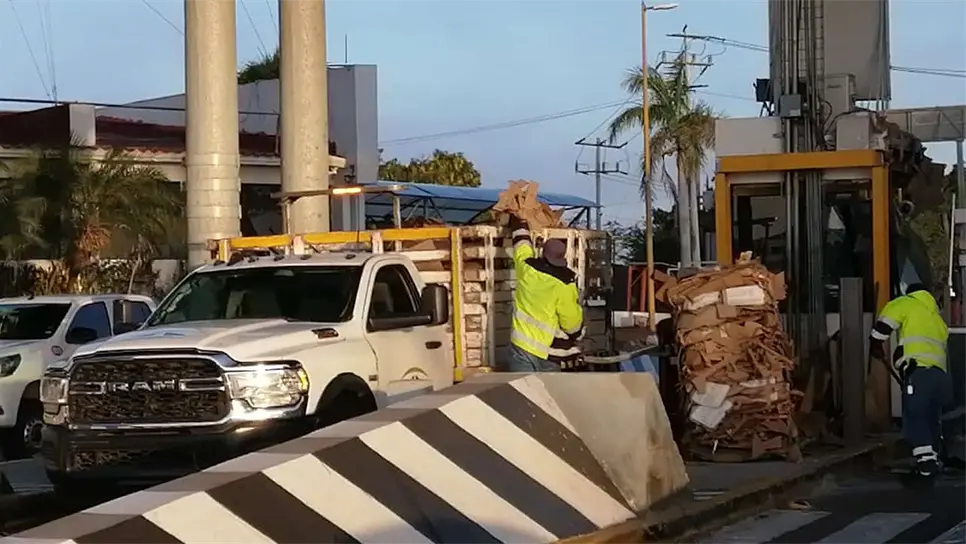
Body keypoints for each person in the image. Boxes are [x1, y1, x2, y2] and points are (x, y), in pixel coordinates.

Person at [869, 282, 951, 478]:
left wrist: (875, 343)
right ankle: (935, 455)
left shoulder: (906, 303)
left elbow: (883, 326)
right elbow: (909, 348)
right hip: (940, 376)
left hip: (919, 374)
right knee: (932, 416)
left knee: (915, 415)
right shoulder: (936, 318)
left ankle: (926, 463)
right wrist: (901, 363)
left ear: (910, 293)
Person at [501, 216, 583, 372]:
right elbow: (571, 323)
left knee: (521, 391)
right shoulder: (565, 283)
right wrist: (576, 335)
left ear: (543, 253)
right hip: (548, 353)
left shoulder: (527, 269)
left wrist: (519, 223)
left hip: (521, 347)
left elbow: (522, 246)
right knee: (546, 394)